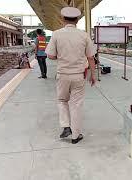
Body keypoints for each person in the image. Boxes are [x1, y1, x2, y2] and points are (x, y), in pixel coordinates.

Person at [47, 7, 96, 144]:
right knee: (76, 105)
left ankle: (66, 126)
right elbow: (91, 57)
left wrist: (61, 56)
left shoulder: (56, 34)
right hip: (78, 76)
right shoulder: (84, 35)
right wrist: (93, 75)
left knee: (62, 100)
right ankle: (75, 136)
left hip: (62, 75)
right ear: (77, 20)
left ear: (63, 19)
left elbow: (50, 55)